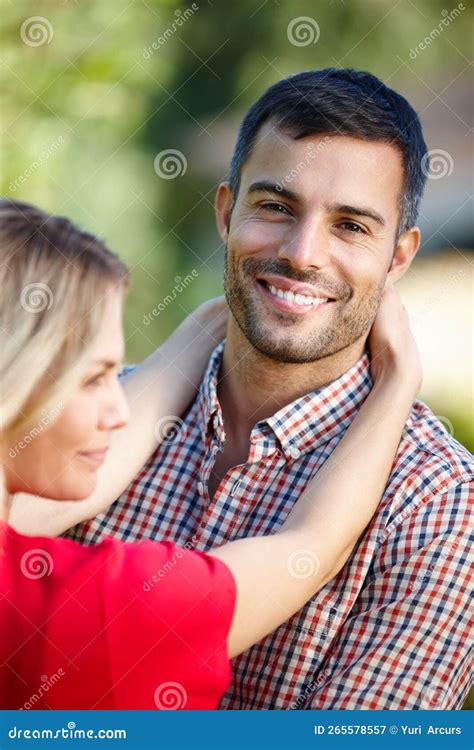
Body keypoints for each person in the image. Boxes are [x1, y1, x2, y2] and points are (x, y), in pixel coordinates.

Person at [12, 68, 474, 710]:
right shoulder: (89, 427)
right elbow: (304, 552)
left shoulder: (438, 505)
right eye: (277, 207)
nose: (303, 253)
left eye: (352, 226)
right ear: (227, 213)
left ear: (399, 257)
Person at [1, 199, 421, 710]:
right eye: (92, 378)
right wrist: (397, 381)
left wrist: (230, 310)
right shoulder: (81, 612)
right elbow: (309, 546)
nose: (118, 410)